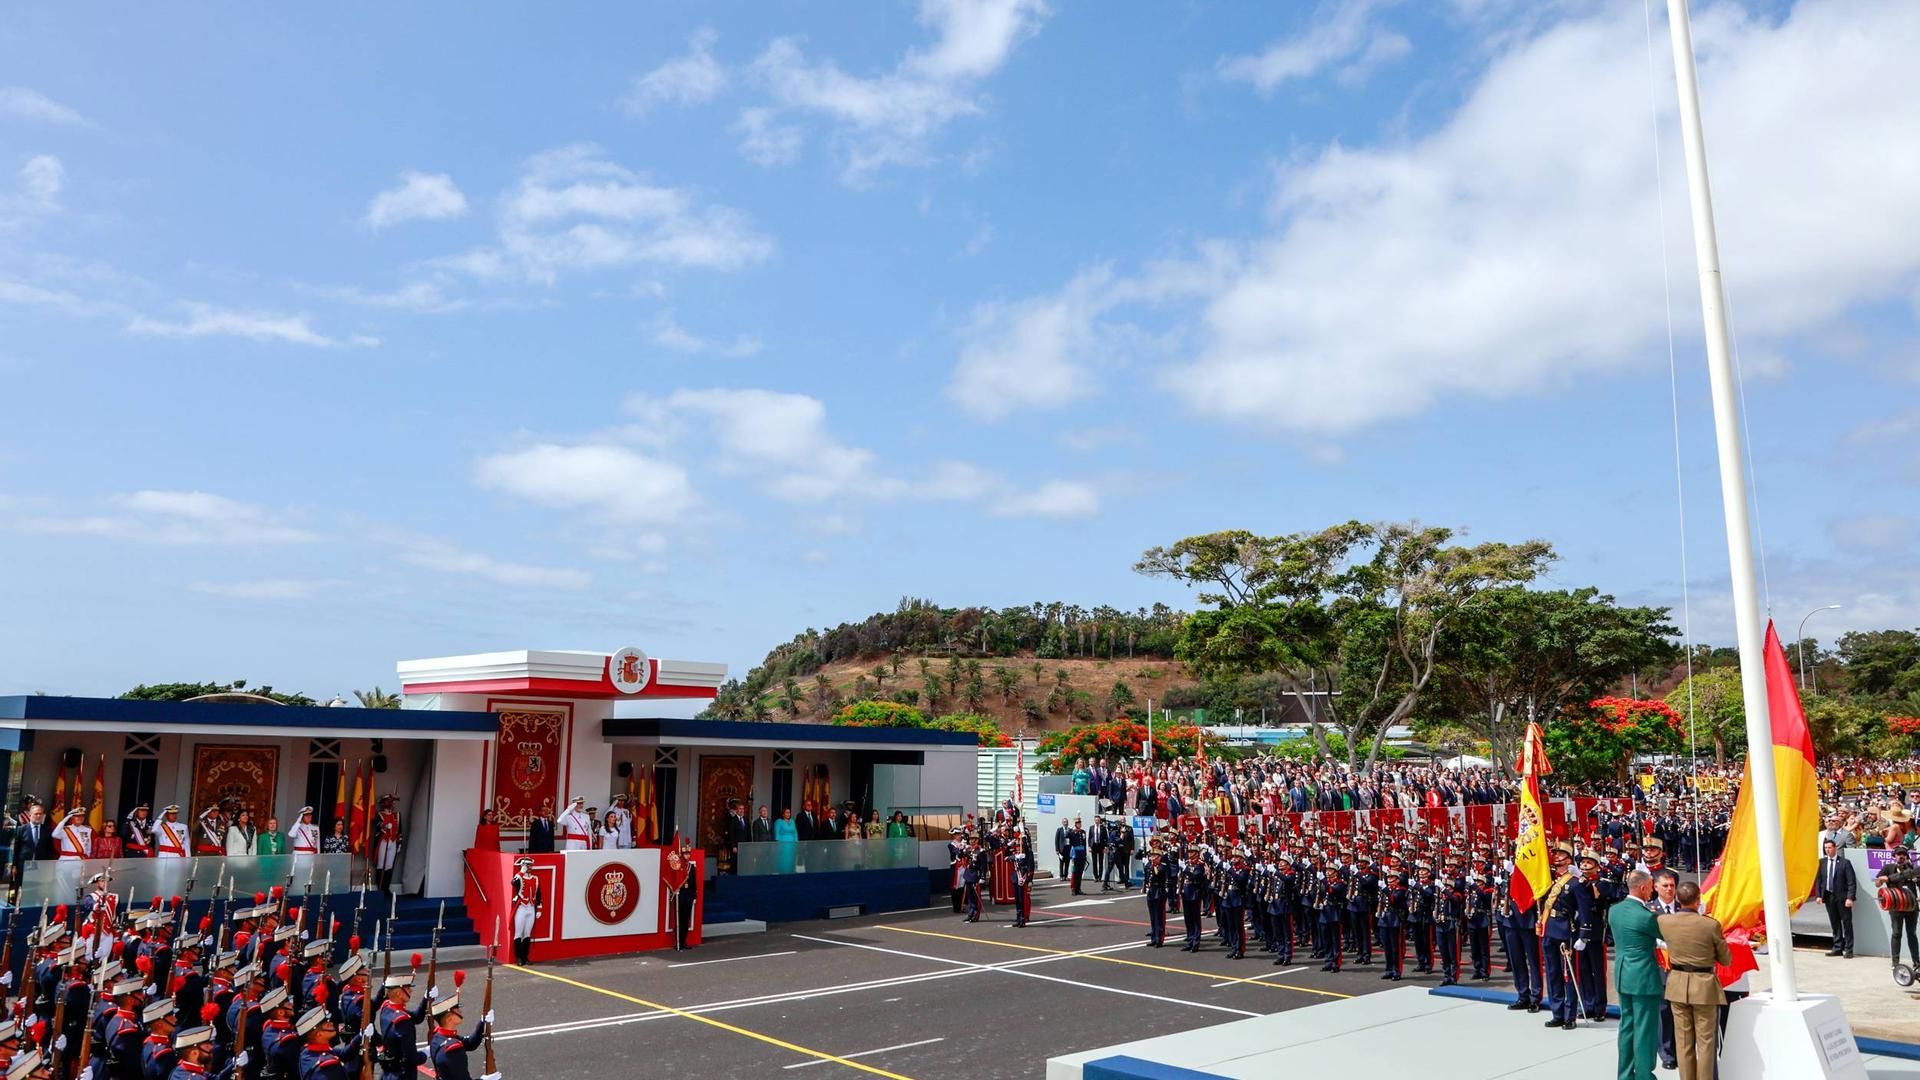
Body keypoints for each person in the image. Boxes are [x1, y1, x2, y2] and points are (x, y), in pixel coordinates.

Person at [1658, 881, 1730, 1080]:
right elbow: (1726, 959)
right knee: (1706, 1043)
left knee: (1683, 1042)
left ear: (1677, 899)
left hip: (1677, 984)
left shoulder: (1664, 921)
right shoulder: (1710, 925)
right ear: (1698, 900)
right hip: (1704, 986)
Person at [1608, 870, 1663, 1080]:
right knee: (1645, 1029)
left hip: (1623, 975)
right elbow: (1665, 934)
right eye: (1650, 886)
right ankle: (1644, 1075)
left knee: (1627, 1027)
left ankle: (1624, 1075)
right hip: (1643, 978)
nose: (1652, 890)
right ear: (1642, 888)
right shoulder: (1646, 917)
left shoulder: (1614, 911)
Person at [1876, 846, 1919, 973]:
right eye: (1899, 854)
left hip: (1911, 907)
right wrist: (1880, 880)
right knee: (1896, 933)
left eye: (1904, 854)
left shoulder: (1912, 868)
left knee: (1912, 934)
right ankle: (1895, 962)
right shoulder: (1888, 868)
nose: (1901, 856)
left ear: (1906, 856)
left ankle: (1916, 962)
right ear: (1894, 856)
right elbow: (1877, 883)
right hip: (1895, 907)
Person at [1816, 838, 1856, 958]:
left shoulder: (1845, 863)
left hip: (1842, 897)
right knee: (1835, 923)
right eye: (1826, 848)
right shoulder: (1822, 862)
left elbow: (1851, 881)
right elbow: (1819, 880)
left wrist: (1850, 897)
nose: (1827, 850)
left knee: (1847, 923)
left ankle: (1849, 949)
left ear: (1835, 848)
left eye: (1830, 847)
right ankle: (1837, 947)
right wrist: (1819, 895)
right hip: (1829, 896)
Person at [510, 856, 541, 966]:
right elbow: (513, 883)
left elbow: (538, 895)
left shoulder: (535, 879)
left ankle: (525, 957)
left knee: (527, 934)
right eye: (528, 865)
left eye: (530, 865)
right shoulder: (518, 877)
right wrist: (521, 873)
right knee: (518, 933)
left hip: (531, 908)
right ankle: (518, 957)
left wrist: (539, 908)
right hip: (521, 908)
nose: (530, 867)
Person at [374, 794, 403, 892]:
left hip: (393, 842)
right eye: (388, 802)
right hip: (383, 841)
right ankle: (380, 887)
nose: (390, 804)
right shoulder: (379, 815)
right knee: (381, 864)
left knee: (389, 865)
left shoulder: (397, 815)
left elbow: (400, 830)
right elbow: (377, 826)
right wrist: (385, 826)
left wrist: (400, 843)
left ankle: (386, 888)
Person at [774, 807, 798, 875]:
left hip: (792, 844)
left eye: (789, 812)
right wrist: (777, 844)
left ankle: (790, 873)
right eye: (786, 812)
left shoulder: (792, 821)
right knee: (783, 859)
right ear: (783, 814)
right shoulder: (778, 821)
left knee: (790, 859)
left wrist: (796, 842)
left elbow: (795, 832)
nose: (788, 814)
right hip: (782, 844)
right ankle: (782, 873)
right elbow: (777, 833)